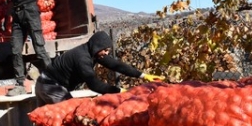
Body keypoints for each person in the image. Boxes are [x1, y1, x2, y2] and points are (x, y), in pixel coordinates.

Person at [35, 31, 164, 107]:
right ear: (97, 46)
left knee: (41, 123)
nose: (106, 53)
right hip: (51, 87)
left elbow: (116, 65)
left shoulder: (93, 52)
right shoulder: (82, 57)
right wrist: (120, 90)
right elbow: (94, 84)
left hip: (42, 84)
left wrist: (142, 75)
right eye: (105, 50)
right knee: (68, 115)